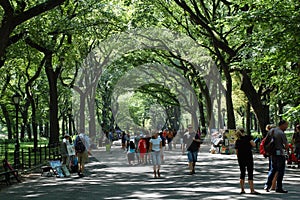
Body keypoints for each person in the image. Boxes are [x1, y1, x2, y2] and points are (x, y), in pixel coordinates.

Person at [264, 120, 289, 193]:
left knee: (273, 169)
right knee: (280, 171)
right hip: (280, 153)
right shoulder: (281, 133)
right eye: (286, 125)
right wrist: (287, 151)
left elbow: (266, 141)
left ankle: (267, 185)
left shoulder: (271, 130)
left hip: (272, 153)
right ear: (283, 125)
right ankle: (279, 187)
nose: (287, 127)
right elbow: (286, 145)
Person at [234, 128, 260, 194]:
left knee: (242, 173)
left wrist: (238, 158)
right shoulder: (248, 137)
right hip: (248, 157)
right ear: (244, 131)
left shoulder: (237, 140)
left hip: (241, 158)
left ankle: (242, 189)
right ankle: (252, 190)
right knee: (250, 173)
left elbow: (236, 152)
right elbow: (253, 144)